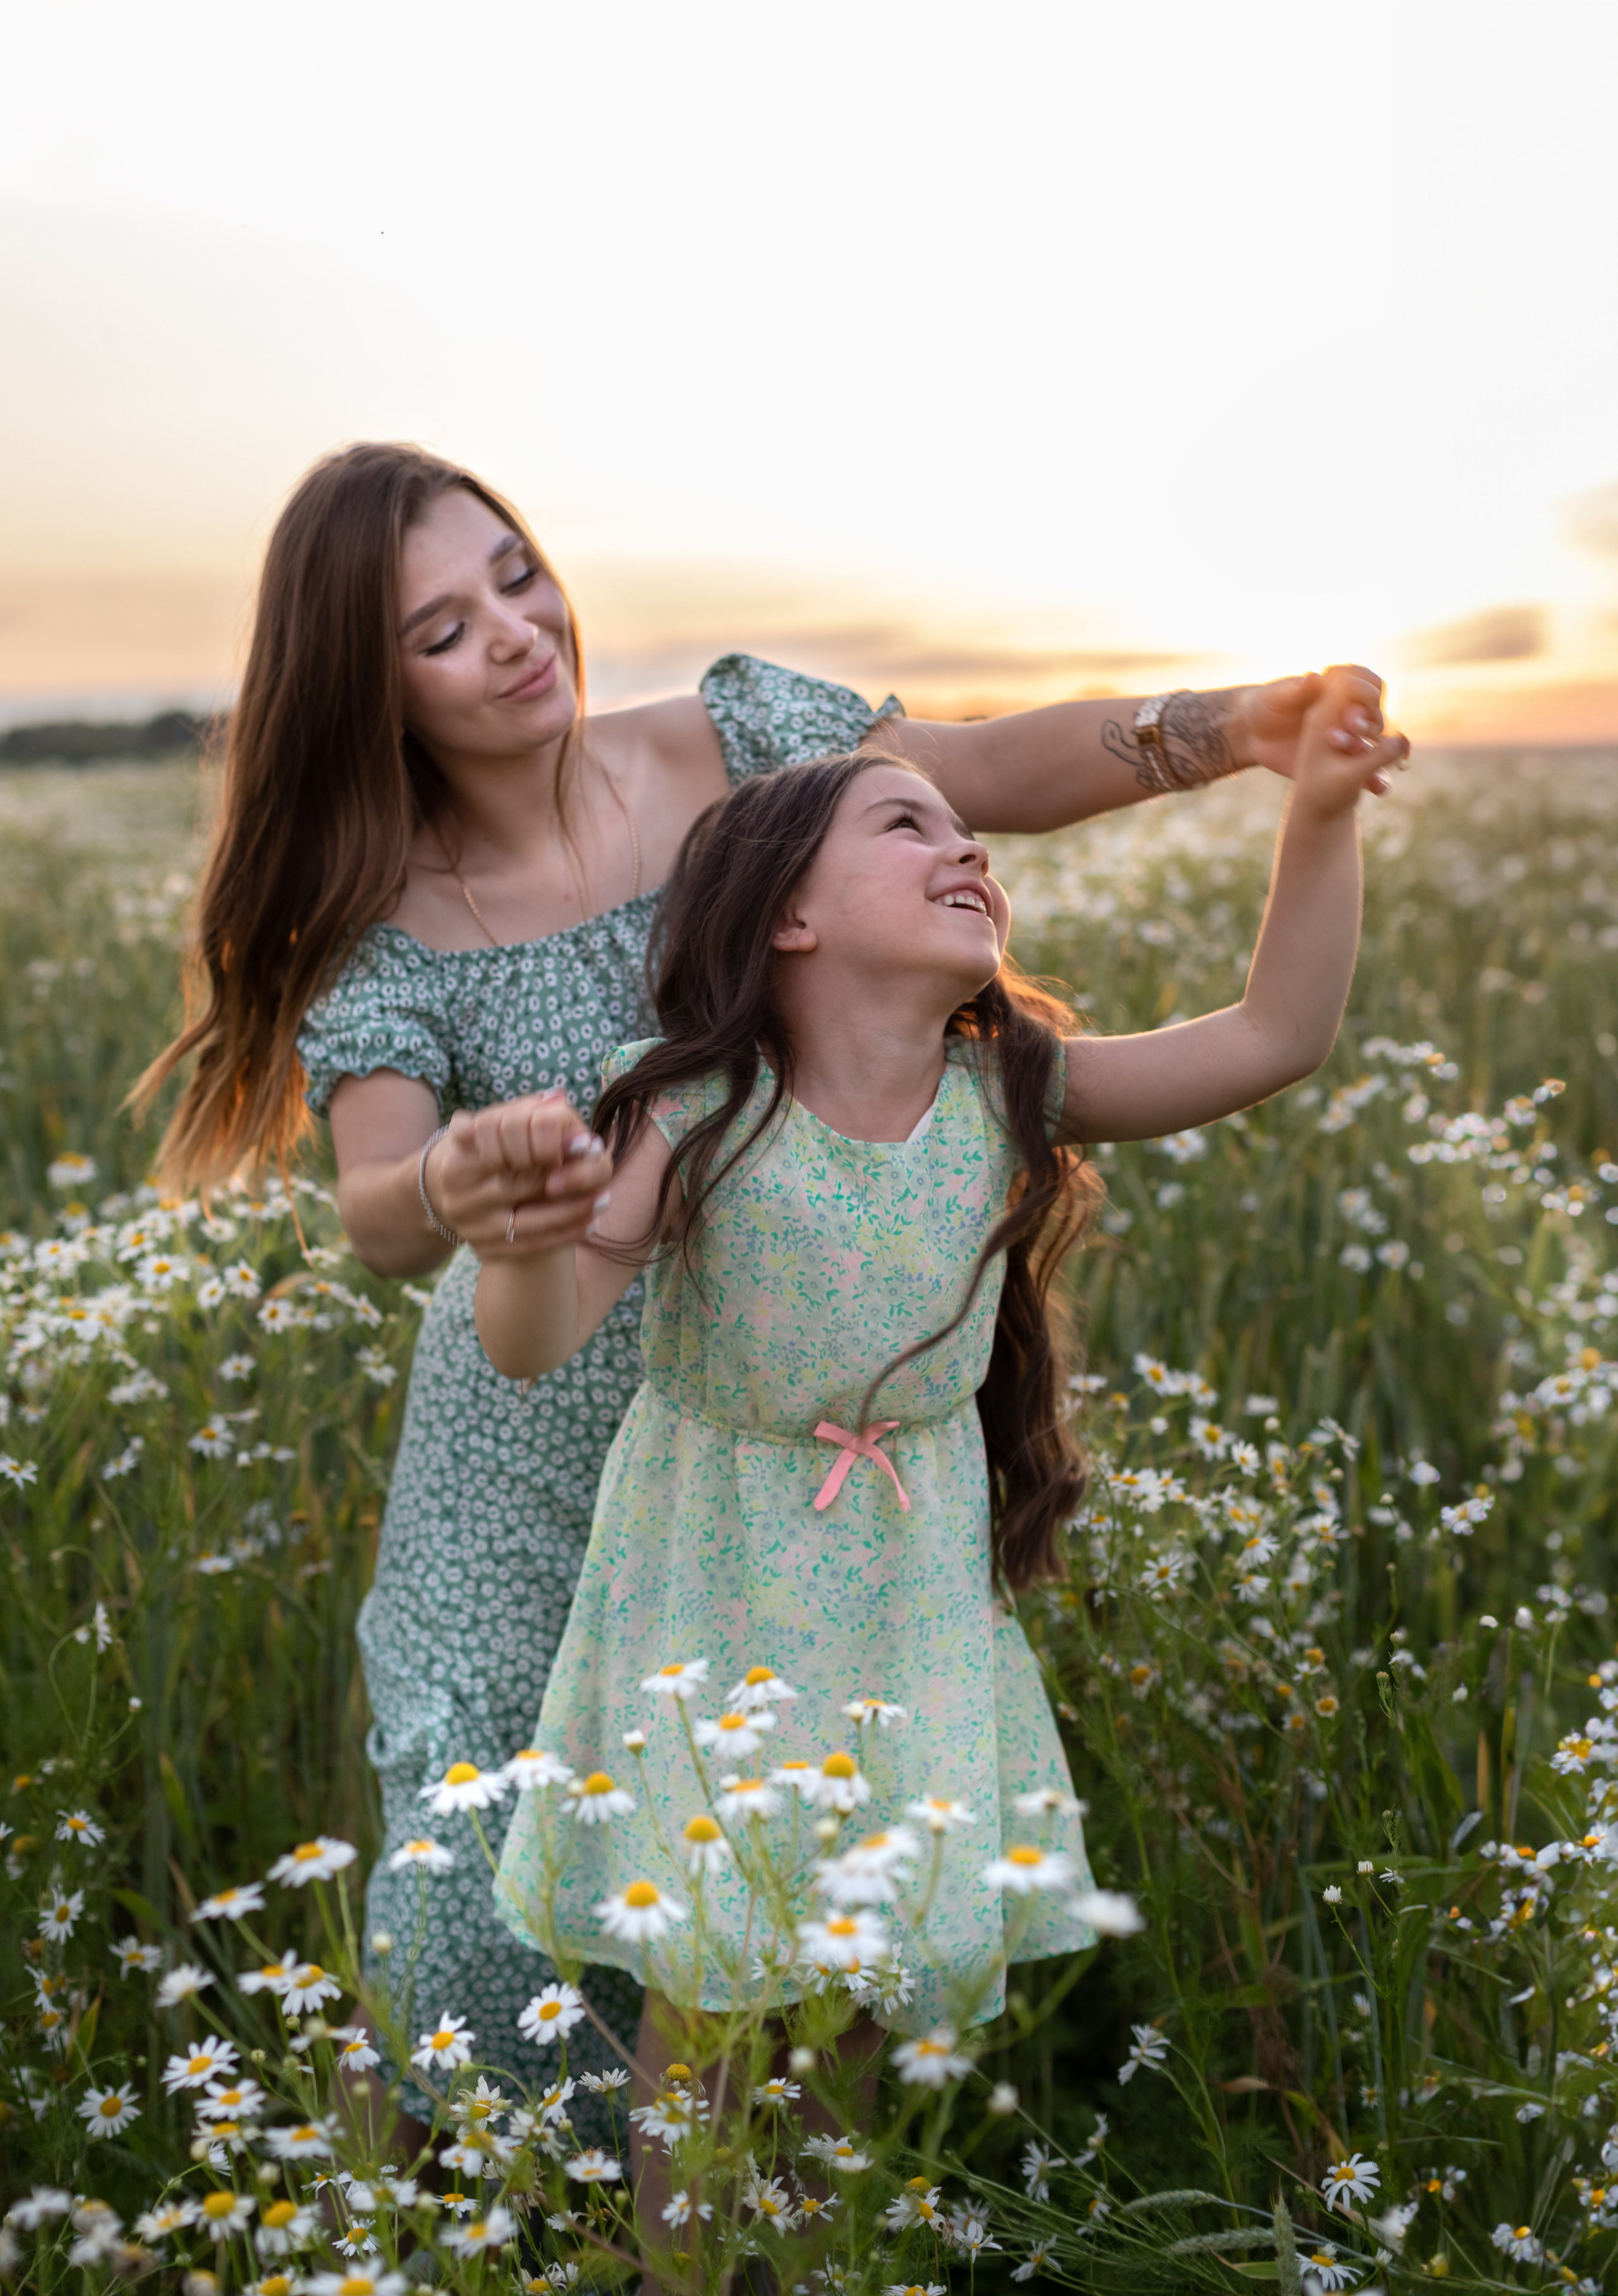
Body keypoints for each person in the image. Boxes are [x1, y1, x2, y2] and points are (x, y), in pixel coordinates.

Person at [143, 439, 1399, 2110]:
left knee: (776, 1941)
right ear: (365, 692)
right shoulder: (383, 924)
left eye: (515, 573)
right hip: (536, 1455)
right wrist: (458, 1181)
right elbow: (379, 1207)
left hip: (799, 1483)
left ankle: (732, 2221)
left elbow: (982, 776)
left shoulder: (736, 749)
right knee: (480, 1937)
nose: (515, 633)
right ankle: (501, 2227)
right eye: (439, 630)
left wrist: (1231, 735)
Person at [473, 676, 1400, 2125]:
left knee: (866, 1975)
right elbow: (534, 1340)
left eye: (972, 834)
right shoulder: (685, 1113)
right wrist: (517, 1238)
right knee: (708, 1999)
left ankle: (819, 2257)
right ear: (790, 917)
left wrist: (1320, 809)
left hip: (903, 1589)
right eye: (911, 825)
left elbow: (1274, 1033)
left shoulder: (1002, 1096)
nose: (969, 849)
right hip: (710, 1594)